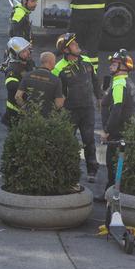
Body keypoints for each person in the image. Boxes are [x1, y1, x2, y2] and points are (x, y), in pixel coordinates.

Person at [53, 33, 101, 182]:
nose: (77, 45)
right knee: (68, 140)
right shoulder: (58, 68)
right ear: (66, 50)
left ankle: (92, 171)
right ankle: (70, 171)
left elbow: (95, 80)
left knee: (89, 140)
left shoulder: (86, 61)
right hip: (70, 111)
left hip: (87, 108)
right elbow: (55, 91)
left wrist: (98, 97)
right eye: (73, 44)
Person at [100, 49, 135, 188]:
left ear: (123, 67)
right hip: (124, 129)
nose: (110, 66)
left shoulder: (119, 84)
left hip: (117, 131)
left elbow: (116, 110)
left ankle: (111, 193)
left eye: (115, 64)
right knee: (118, 162)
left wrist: (107, 130)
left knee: (112, 162)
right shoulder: (124, 82)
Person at [15, 51, 64, 116]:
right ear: (51, 62)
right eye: (54, 61)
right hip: (46, 119)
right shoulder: (56, 80)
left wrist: (25, 108)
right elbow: (59, 104)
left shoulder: (28, 75)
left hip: (30, 117)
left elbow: (17, 97)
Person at [0, 37, 33, 128]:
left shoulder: (28, 63)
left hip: (27, 109)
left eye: (28, 50)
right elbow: (11, 85)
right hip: (15, 113)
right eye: (23, 51)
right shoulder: (12, 69)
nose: (28, 53)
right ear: (15, 54)